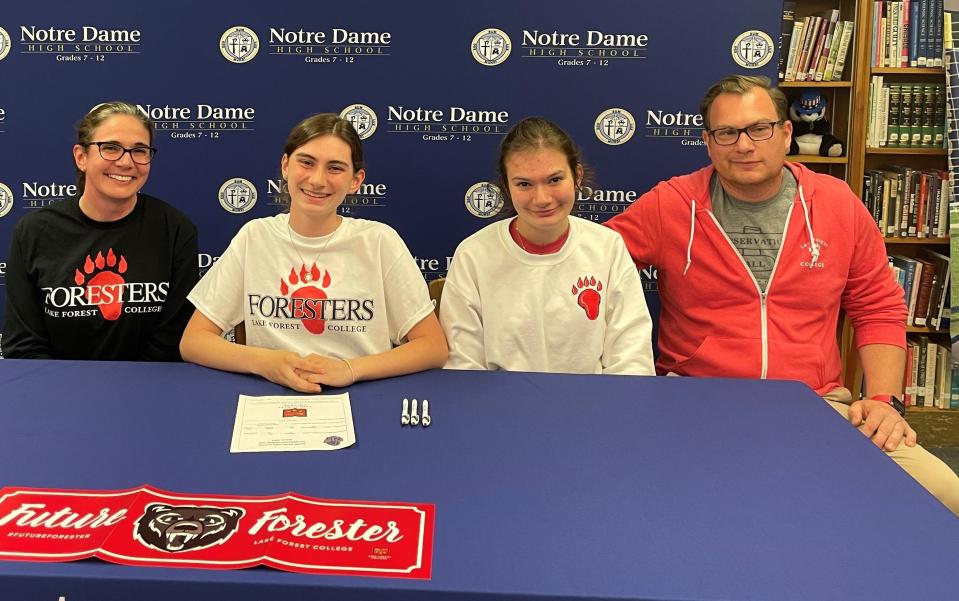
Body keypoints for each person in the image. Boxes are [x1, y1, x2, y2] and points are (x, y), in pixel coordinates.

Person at [606, 74, 959, 515]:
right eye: (727, 133)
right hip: (694, 404)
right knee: (667, 508)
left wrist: (885, 402)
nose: (744, 145)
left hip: (815, 404)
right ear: (708, 142)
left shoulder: (837, 203)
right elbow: (592, 267)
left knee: (945, 494)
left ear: (786, 132)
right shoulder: (671, 204)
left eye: (759, 128)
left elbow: (878, 306)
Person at [180, 113, 447, 392]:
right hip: (272, 396)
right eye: (306, 162)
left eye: (335, 168)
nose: (318, 180)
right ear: (285, 166)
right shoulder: (255, 237)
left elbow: (433, 346)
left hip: (362, 393)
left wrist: (350, 369)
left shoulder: (379, 241)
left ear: (356, 181)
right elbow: (193, 341)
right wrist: (265, 362)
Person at [440, 117, 654, 375]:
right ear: (506, 187)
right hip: (500, 409)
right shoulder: (474, 255)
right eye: (524, 184)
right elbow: (464, 366)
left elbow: (631, 357)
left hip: (591, 406)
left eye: (554, 180)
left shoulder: (607, 248)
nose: (542, 199)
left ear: (577, 176)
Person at [2, 101, 198, 360]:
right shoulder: (34, 232)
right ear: (81, 157)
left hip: (148, 390)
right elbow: (24, 345)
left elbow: (173, 341)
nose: (127, 162)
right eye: (111, 148)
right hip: (58, 390)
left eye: (139, 151)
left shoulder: (175, 230)